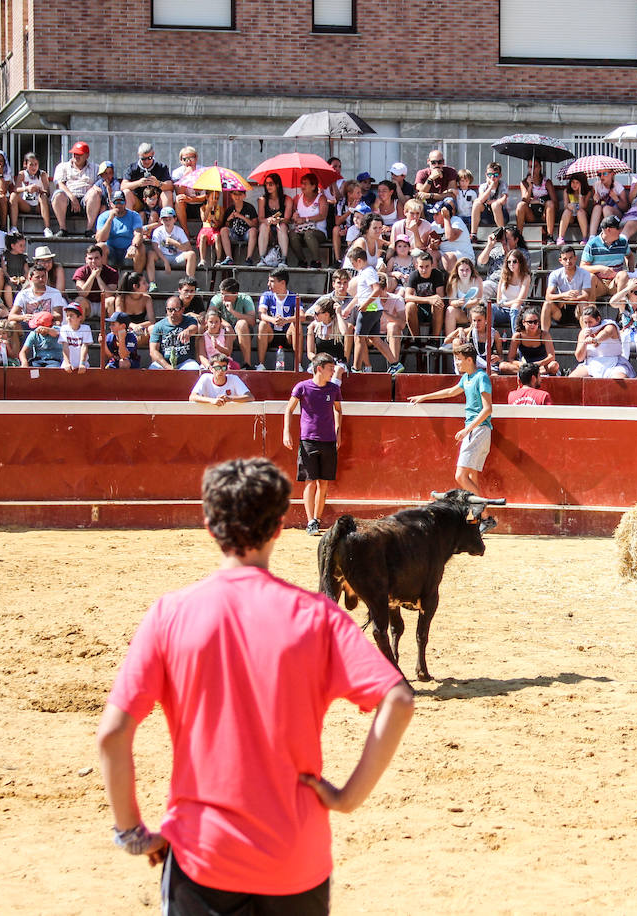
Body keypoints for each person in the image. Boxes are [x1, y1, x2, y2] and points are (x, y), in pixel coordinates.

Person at [97, 456, 413, 914]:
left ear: (210, 525)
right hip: (295, 860)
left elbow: (111, 734)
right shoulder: (318, 617)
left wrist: (132, 834)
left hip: (203, 856)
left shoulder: (171, 614)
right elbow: (398, 701)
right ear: (281, 527)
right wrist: (347, 798)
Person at [406, 343, 497, 525]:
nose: (457, 363)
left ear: (469, 359)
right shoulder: (468, 378)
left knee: (460, 476)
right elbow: (450, 392)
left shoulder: (481, 377)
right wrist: (424, 396)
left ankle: (485, 516)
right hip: (477, 431)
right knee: (471, 477)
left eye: (459, 359)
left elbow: (487, 409)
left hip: (477, 430)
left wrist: (467, 429)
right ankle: (475, 519)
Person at [283, 353, 343, 535]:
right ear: (319, 369)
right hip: (308, 440)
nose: (333, 372)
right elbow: (289, 408)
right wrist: (286, 431)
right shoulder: (302, 387)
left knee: (323, 483)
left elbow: (339, 410)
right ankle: (311, 521)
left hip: (329, 440)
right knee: (310, 482)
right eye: (330, 369)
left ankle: (316, 519)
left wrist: (338, 433)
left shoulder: (333, 389)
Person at [149, 298, 201, 370]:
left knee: (194, 368)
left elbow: (194, 327)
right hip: (164, 363)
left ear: (182, 309)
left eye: (176, 309)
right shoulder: (159, 326)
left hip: (186, 362)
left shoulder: (190, 321)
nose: (173, 313)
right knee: (153, 369)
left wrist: (188, 331)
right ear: (166, 310)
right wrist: (167, 366)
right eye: (170, 310)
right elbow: (153, 351)